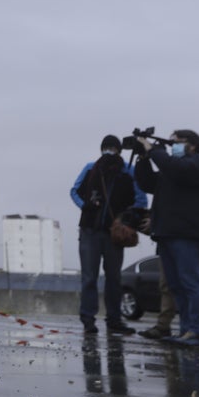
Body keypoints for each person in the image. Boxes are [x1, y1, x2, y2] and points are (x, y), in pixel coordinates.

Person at [134, 129, 199, 346]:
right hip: (167, 232)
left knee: (190, 282)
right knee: (176, 285)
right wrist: (143, 157)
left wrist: (155, 149)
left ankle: (197, 331)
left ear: (193, 146)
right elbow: (148, 182)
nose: (173, 146)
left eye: (177, 142)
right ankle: (186, 329)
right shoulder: (174, 169)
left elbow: (172, 167)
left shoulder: (196, 165)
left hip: (185, 233)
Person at [71, 134, 147, 335]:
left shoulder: (128, 171)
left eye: (112, 148)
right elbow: (74, 191)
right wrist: (85, 206)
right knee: (92, 277)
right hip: (90, 230)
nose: (110, 152)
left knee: (113, 277)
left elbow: (141, 200)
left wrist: (125, 218)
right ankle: (89, 319)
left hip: (114, 234)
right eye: (108, 148)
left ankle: (113, 319)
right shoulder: (91, 168)